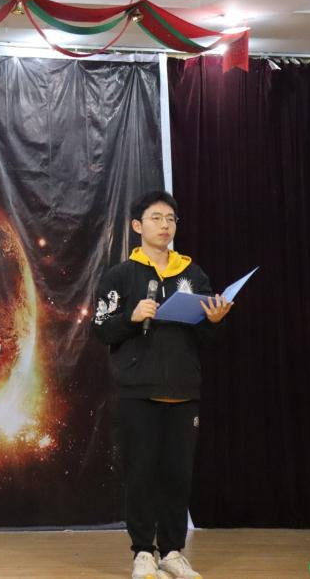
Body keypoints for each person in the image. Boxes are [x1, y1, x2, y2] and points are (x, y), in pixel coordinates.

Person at [92, 190, 232, 579]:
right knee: (140, 474)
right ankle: (142, 551)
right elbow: (100, 329)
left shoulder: (192, 274)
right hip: (138, 390)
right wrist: (131, 317)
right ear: (138, 226)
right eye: (156, 218)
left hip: (184, 390)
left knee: (178, 475)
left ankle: (172, 551)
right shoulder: (121, 275)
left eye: (170, 219)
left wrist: (215, 322)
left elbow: (207, 339)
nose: (165, 225)